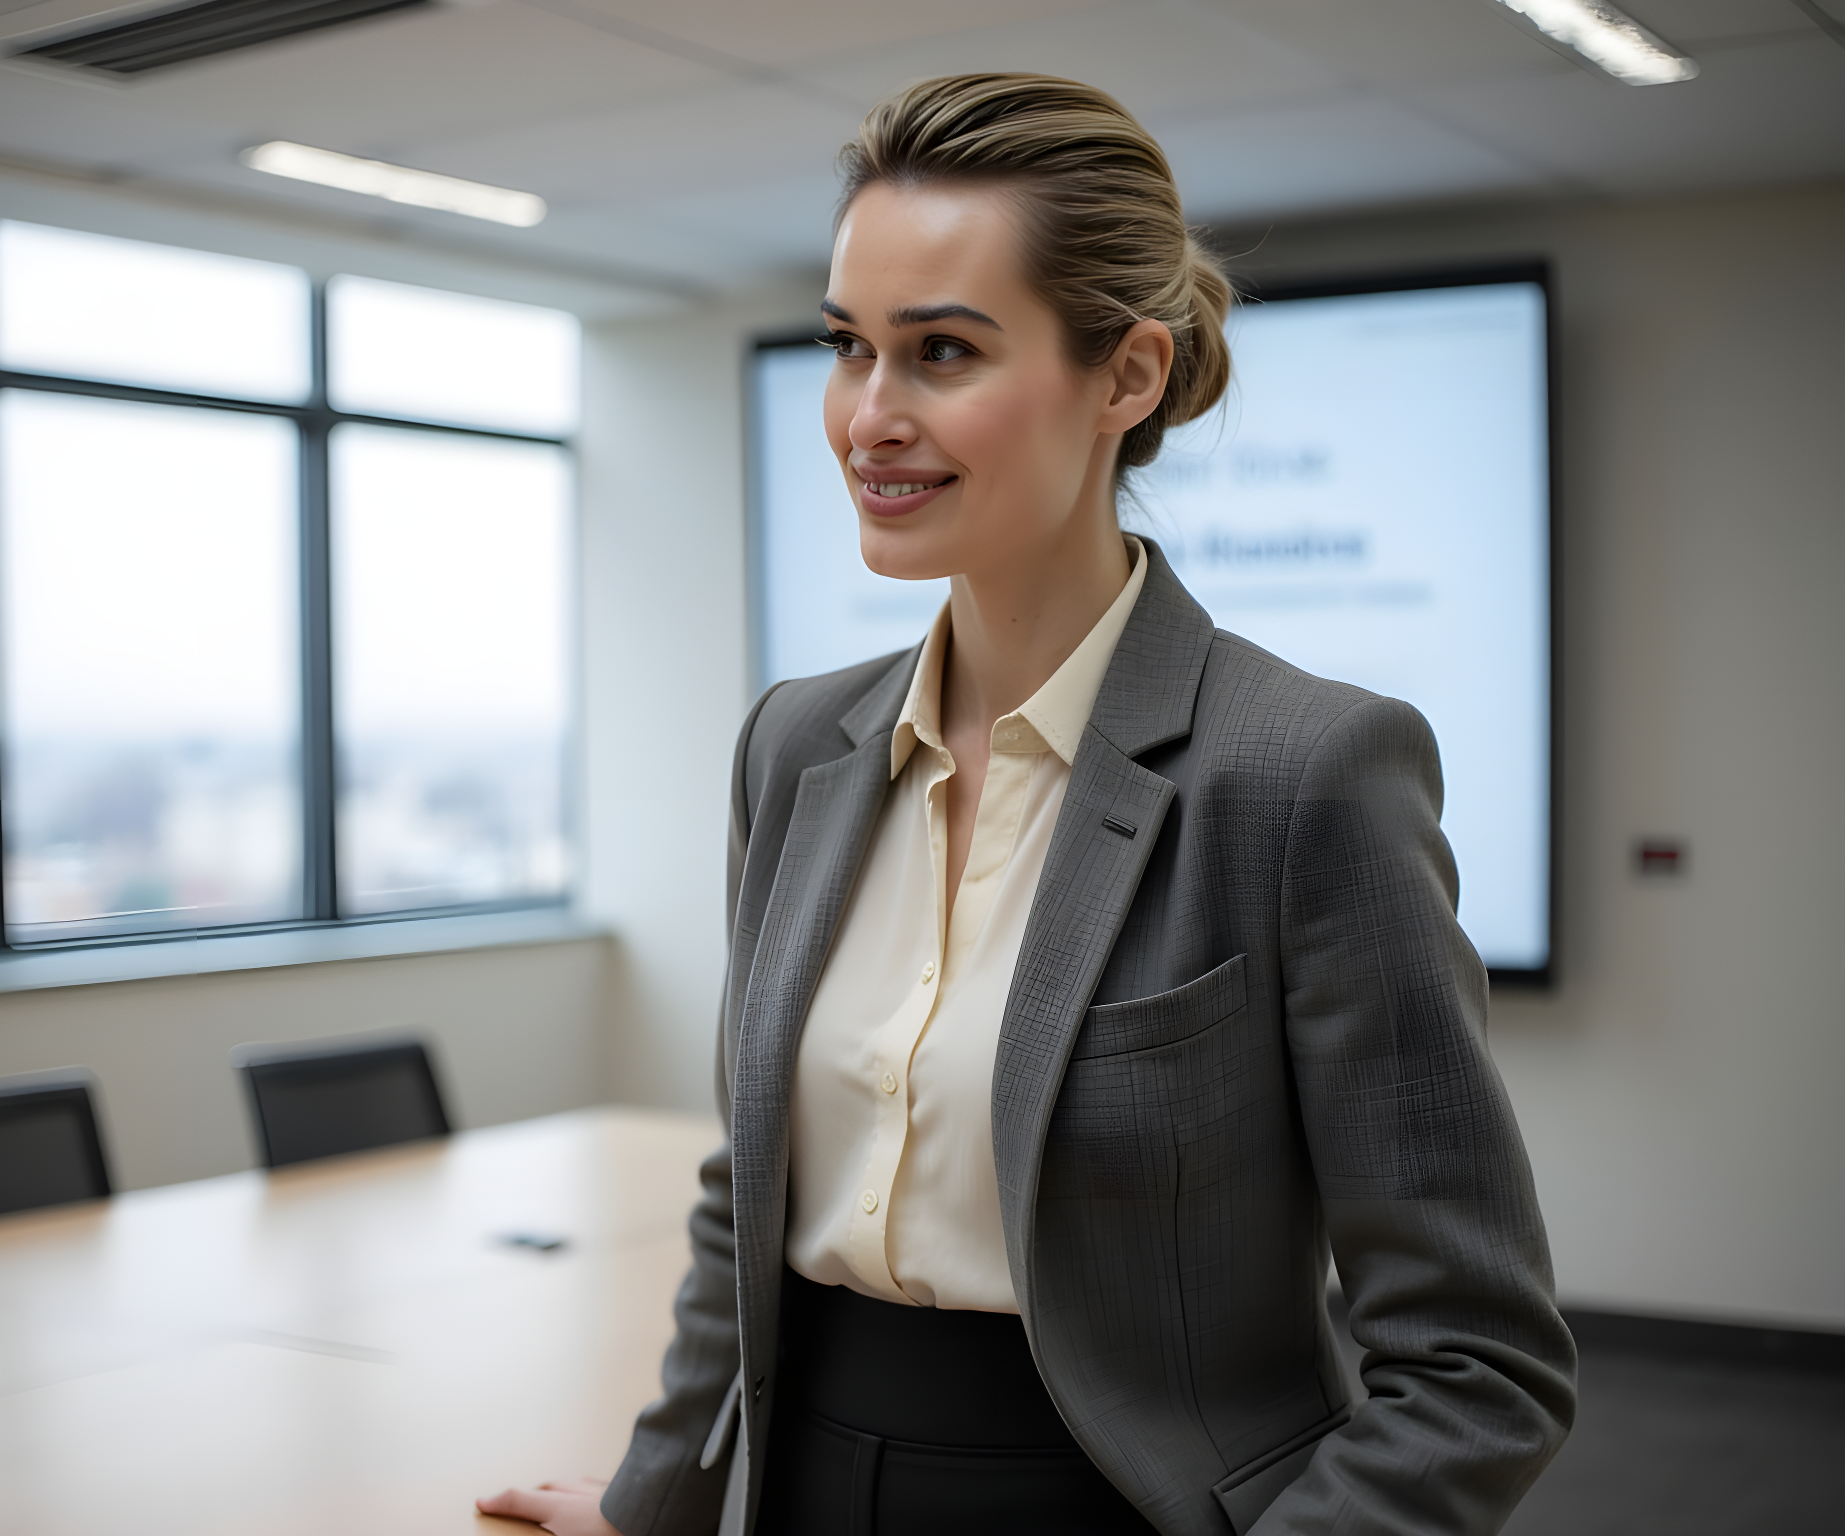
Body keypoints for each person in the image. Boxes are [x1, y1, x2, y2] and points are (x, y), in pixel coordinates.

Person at [481, 73, 1575, 1536]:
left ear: (1125, 378)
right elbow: (746, 1190)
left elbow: (1477, 1364)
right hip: (805, 1487)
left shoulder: (1307, 772)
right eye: (847, 349)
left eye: (941, 352)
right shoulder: (793, 747)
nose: (869, 418)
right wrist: (653, 1499)